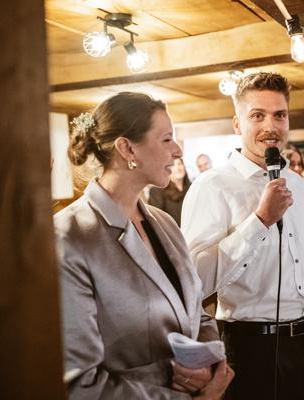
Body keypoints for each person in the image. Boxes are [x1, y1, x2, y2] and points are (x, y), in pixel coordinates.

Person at [181, 72, 304, 400]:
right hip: (252, 351)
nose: (271, 126)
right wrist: (260, 220)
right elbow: (194, 281)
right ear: (237, 124)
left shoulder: (298, 187)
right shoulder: (212, 187)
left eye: (280, 115)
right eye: (257, 116)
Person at [55, 92, 233, 399]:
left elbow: (196, 312)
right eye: (167, 139)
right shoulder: (69, 236)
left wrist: (207, 365)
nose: (178, 151)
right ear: (127, 148)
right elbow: (79, 385)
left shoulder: (165, 223)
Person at [149, 158, 191, 226]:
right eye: (172, 165)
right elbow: (157, 221)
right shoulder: (157, 191)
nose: (178, 168)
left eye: (179, 164)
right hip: (174, 231)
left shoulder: (192, 187)